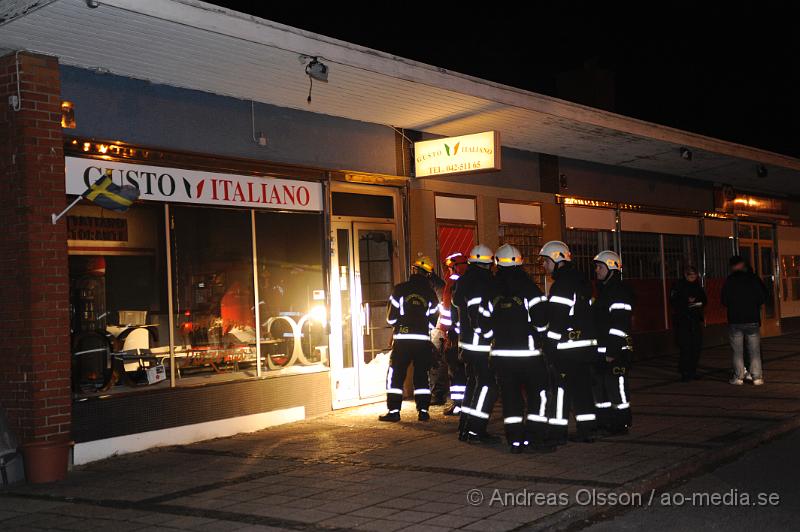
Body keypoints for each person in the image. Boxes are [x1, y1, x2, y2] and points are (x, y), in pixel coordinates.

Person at [480, 244, 551, 453]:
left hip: (502, 358)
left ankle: (515, 441)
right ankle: (535, 437)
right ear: (520, 262)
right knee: (538, 396)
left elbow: (482, 325)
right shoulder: (530, 288)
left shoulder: (491, 290)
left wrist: (495, 337)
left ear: (497, 264)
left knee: (511, 400)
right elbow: (541, 322)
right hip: (530, 357)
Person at [539, 240, 598, 444]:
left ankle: (557, 432)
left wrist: (549, 345)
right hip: (585, 347)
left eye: (546, 261)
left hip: (568, 348)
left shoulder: (562, 285)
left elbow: (558, 319)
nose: (543, 266)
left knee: (561, 389)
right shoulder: (581, 281)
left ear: (557, 260)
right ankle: (587, 429)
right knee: (582, 390)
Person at [379, 255, 440, 422]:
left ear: (413, 270)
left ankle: (394, 412)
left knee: (396, 374)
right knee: (421, 375)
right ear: (428, 274)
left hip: (402, 340)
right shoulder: (430, 293)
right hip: (422, 341)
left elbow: (390, 319)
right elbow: (433, 320)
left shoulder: (399, 289)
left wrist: (402, 324)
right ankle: (423, 411)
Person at [452, 243, 500, 443]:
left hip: (466, 344)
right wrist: (488, 335)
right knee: (488, 385)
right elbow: (478, 315)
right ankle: (476, 430)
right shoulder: (484, 282)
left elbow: (458, 310)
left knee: (473, 385)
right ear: (488, 264)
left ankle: (465, 428)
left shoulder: (463, 281)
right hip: (481, 345)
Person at [592, 250, 634, 435]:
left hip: (616, 352)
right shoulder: (604, 290)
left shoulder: (619, 292)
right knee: (601, 388)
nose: (596, 270)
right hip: (603, 350)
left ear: (611, 268)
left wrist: (612, 351)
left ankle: (620, 423)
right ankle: (605, 421)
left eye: (600, 267)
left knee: (616, 389)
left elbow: (619, 324)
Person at [432, 252, 470, 416]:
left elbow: (448, 311)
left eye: (448, 267)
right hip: (468, 334)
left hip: (455, 334)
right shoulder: (470, 281)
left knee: (455, 371)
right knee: (466, 370)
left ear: (454, 266)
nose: (447, 271)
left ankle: (458, 404)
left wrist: (444, 332)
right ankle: (467, 403)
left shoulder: (453, 283)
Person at [722, 255, 767, 386]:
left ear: (733, 267)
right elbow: (763, 296)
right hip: (752, 318)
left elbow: (724, 300)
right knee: (754, 350)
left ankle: (739, 377)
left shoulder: (730, 281)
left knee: (737, 351)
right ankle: (757, 377)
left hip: (735, 320)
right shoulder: (753, 279)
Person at [670, 266, 707, 381]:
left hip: (695, 319)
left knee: (696, 346)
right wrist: (686, 302)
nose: (693, 278)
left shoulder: (697, 287)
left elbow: (704, 300)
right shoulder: (678, 286)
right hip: (683, 320)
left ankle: (692, 370)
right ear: (686, 275)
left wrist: (697, 303)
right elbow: (674, 301)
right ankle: (685, 372)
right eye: (691, 276)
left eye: (694, 276)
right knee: (685, 347)